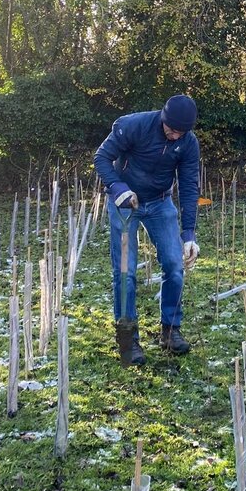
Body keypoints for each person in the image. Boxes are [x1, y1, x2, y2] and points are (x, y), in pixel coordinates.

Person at [94, 93, 200, 360]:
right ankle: (128, 340)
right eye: (171, 130)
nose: (175, 136)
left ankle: (170, 330)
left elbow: (188, 186)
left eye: (181, 132)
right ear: (163, 119)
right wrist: (118, 188)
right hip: (125, 203)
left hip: (160, 204)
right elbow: (101, 158)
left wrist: (188, 233)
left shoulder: (188, 142)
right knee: (125, 272)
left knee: (175, 265)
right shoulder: (133, 126)